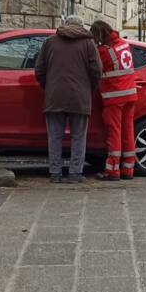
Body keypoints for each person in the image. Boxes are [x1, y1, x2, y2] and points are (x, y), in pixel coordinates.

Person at [35, 15, 101, 184]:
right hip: (79, 97)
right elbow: (96, 71)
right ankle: (75, 173)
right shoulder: (88, 43)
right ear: (81, 26)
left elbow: (39, 70)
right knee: (78, 137)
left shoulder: (50, 42)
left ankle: (55, 173)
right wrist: (88, 88)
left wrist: (48, 86)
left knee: (54, 137)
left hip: (54, 96)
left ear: (64, 25)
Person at [91, 20, 137, 181]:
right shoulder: (124, 44)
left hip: (115, 96)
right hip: (131, 94)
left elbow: (95, 70)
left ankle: (112, 170)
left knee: (114, 132)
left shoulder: (103, 51)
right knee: (128, 131)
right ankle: (128, 169)